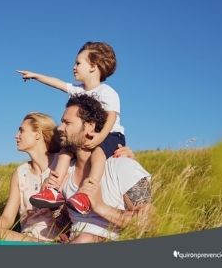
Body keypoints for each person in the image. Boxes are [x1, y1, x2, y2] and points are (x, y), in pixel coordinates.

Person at [17, 41, 125, 214]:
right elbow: (57, 83)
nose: (74, 67)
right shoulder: (78, 90)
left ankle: (86, 193)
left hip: (110, 134)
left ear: (93, 67)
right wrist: (36, 76)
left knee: (98, 154)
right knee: (65, 152)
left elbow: (112, 117)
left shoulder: (107, 92)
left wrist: (101, 137)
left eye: (78, 63)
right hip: (84, 135)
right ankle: (54, 190)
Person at [50, 94, 151, 243]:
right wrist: (55, 206)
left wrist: (99, 206)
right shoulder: (66, 172)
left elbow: (149, 223)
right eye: (61, 122)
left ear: (90, 126)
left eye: (67, 123)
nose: (60, 128)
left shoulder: (121, 166)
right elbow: (68, 225)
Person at [0, 112, 65, 242]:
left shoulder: (62, 163)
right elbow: (7, 218)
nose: (16, 136)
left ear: (37, 134)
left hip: (55, 239)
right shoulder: (20, 173)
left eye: (21, 131)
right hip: (26, 238)